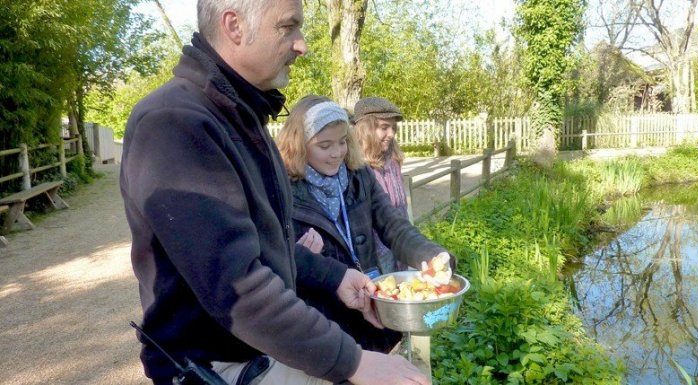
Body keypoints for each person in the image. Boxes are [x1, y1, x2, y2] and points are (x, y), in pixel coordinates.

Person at [119, 1, 431, 384]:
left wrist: (335, 276)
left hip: (263, 352)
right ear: (234, 26)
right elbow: (238, 286)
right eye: (288, 27)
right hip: (220, 368)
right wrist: (354, 361)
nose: (302, 45)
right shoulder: (176, 123)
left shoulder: (243, 119)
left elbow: (269, 247)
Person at [276, 95, 453, 353]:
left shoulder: (359, 176)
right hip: (324, 321)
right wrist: (301, 258)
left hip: (371, 306)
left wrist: (433, 256)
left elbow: (394, 225)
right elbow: (273, 258)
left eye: (342, 142)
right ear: (299, 144)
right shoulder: (283, 191)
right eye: (324, 145)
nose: (336, 153)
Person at [353, 97, 409, 273]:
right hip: (374, 252)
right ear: (366, 129)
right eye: (384, 127)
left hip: (399, 243)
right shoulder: (356, 168)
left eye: (393, 128)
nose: (391, 134)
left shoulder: (393, 161)